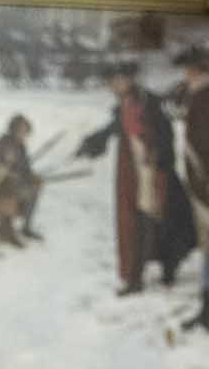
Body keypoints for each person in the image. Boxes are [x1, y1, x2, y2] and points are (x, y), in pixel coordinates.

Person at [77, 60, 196, 295]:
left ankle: (168, 270)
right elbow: (115, 127)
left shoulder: (150, 102)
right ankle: (135, 278)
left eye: (118, 80)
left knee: (165, 219)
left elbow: (165, 133)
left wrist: (160, 162)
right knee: (135, 223)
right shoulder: (124, 105)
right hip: (133, 173)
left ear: (129, 80)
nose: (114, 86)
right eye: (111, 82)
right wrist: (94, 141)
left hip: (156, 171)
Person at [173, 44, 209, 331]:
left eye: (189, 70)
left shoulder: (205, 97)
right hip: (201, 186)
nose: (185, 75)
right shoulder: (197, 95)